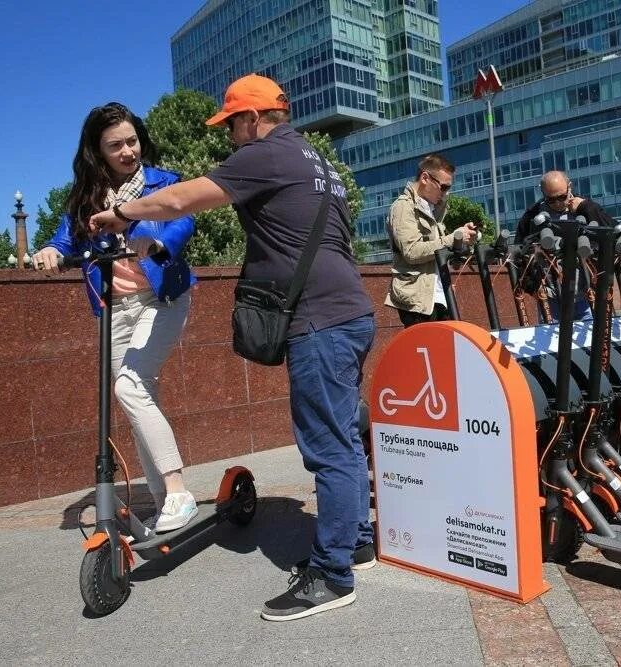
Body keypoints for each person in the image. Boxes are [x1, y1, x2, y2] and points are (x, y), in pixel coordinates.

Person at [89, 74, 374, 622]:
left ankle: (333, 574)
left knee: (328, 446)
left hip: (319, 322)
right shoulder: (318, 164)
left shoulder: (266, 153)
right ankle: (355, 540)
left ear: (251, 118)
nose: (230, 138)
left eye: (231, 126)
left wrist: (123, 214)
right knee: (344, 437)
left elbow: (180, 197)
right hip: (351, 312)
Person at [32, 103, 198, 533]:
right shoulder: (87, 194)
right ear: (97, 151)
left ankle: (178, 492)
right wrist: (52, 250)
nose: (128, 151)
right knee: (139, 397)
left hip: (160, 299)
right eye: (116, 145)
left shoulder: (162, 182)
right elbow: (64, 237)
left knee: (130, 385)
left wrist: (154, 241)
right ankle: (166, 502)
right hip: (114, 310)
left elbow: (182, 220)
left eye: (132, 141)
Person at [384, 154, 478, 327]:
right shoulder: (403, 207)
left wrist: (462, 240)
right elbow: (412, 252)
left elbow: (438, 246)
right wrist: (451, 239)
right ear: (425, 178)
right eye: (443, 187)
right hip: (417, 301)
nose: (446, 193)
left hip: (438, 295)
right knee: (427, 352)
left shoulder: (430, 208)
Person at [514, 171, 617, 320]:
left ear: (570, 187)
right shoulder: (532, 216)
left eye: (561, 197)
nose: (557, 203)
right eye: (551, 199)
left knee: (590, 340)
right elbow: (519, 252)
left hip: (584, 295)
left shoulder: (585, 207)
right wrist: (531, 288)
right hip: (550, 298)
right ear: (543, 193)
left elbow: (613, 230)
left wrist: (585, 207)